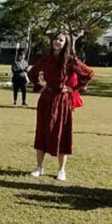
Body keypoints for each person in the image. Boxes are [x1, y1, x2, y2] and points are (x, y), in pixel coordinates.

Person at [27, 31, 94, 181]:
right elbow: (32, 74)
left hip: (63, 100)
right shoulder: (46, 59)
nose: (57, 42)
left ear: (65, 44)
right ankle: (39, 167)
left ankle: (61, 170)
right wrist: (40, 85)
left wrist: (73, 88)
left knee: (62, 133)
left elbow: (89, 74)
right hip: (46, 99)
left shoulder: (71, 61)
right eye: (55, 39)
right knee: (42, 131)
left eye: (61, 40)